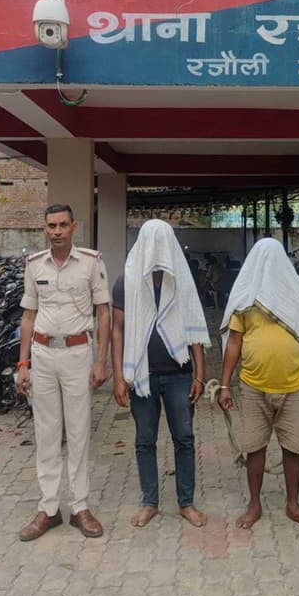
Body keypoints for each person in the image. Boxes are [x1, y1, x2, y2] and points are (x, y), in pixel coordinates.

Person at [217, 238, 299, 530]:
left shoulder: (297, 296)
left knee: (293, 449)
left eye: (273, 259)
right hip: (253, 387)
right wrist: (224, 385)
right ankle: (254, 505)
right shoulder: (245, 298)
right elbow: (234, 342)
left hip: (293, 387)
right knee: (255, 448)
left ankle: (293, 505)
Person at [16, 204, 111, 541]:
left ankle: (80, 507)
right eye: (51, 226)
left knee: (79, 431)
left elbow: (104, 313)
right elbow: (28, 316)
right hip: (42, 354)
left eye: (62, 225)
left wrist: (101, 361)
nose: (56, 231)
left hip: (77, 354)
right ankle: (49, 509)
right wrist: (23, 364)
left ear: (73, 227)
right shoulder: (34, 265)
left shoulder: (91, 262)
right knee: (46, 433)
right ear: (44, 229)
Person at [111, 219, 210, 528]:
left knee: (185, 438)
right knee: (145, 440)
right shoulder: (126, 281)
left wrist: (200, 374)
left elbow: (194, 325)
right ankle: (150, 502)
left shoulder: (181, 280)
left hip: (179, 375)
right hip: (142, 376)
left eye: (162, 243)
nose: (156, 250)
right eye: (151, 243)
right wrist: (118, 376)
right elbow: (117, 330)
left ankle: (186, 503)